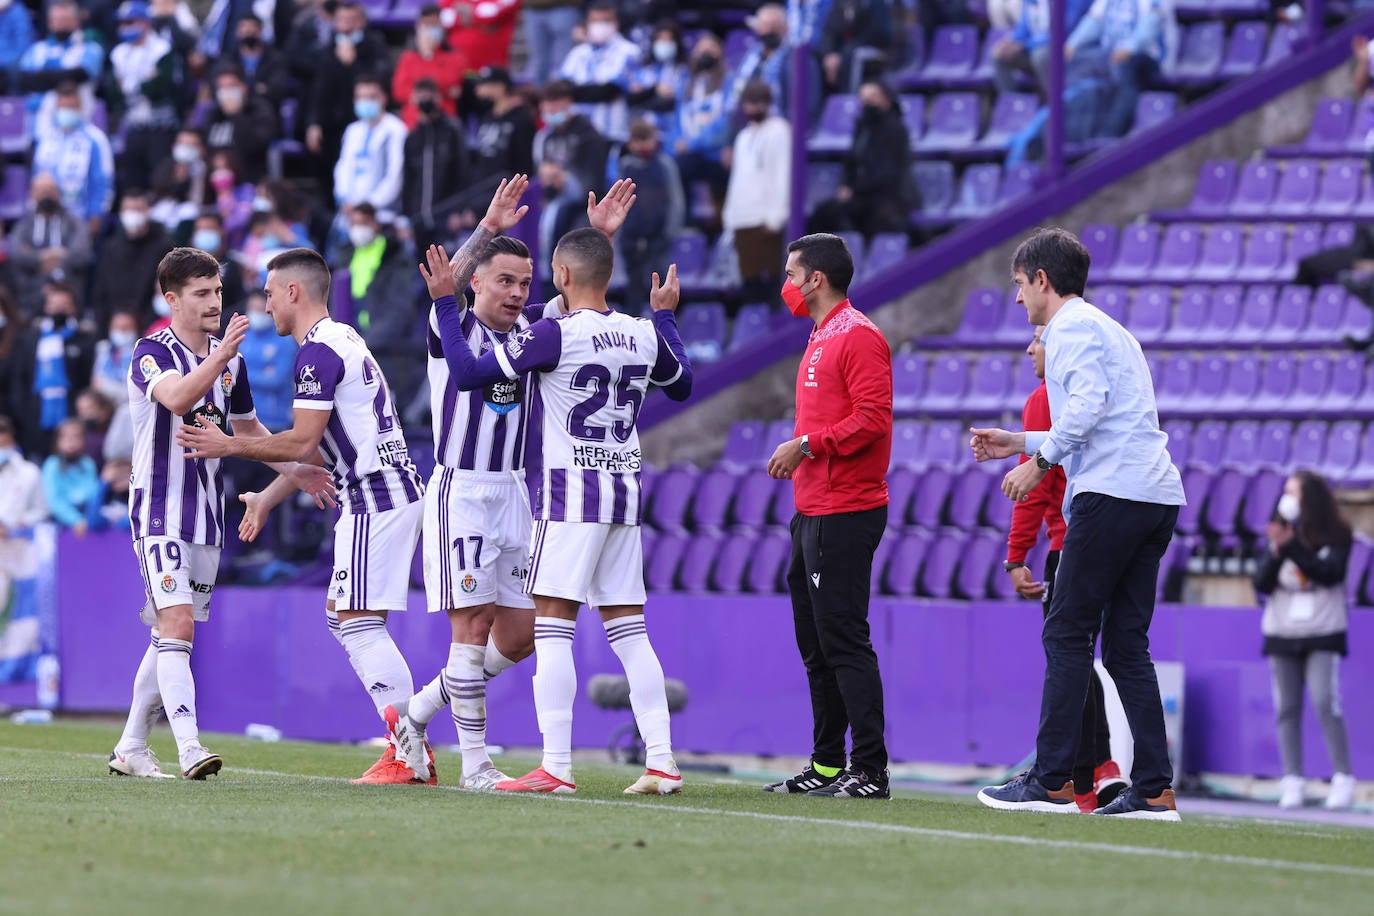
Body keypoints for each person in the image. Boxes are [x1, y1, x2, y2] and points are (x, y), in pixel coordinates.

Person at [427, 213, 694, 796]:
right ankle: (663, 763)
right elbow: (682, 384)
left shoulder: (555, 335)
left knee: (552, 630)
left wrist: (447, 302)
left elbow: (470, 371)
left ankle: (556, 767)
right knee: (631, 632)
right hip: (623, 495)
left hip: (569, 497)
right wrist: (666, 314)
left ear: (560, 273)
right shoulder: (644, 332)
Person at [387, 175, 638, 791]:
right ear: (475, 283)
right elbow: (447, 279)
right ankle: (476, 765)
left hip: (516, 496)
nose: (516, 292)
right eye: (504, 281)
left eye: (524, 283)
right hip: (462, 494)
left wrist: (598, 237)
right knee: (470, 630)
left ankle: (414, 715)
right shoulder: (449, 329)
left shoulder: (533, 331)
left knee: (522, 636)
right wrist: (489, 228)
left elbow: (575, 292)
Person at [177, 247, 428, 785]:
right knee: (350, 618)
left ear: (294, 291)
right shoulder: (342, 339)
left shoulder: (316, 353)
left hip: (374, 495)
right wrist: (268, 498)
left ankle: (409, 750)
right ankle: (409, 745)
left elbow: (303, 439)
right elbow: (312, 451)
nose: (266, 304)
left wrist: (228, 445)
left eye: (270, 292)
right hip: (386, 488)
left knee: (354, 621)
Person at [971, 227, 1186, 821]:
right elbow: (1103, 417)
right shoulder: (1107, 327)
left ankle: (1053, 780)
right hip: (1152, 495)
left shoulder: (1068, 329)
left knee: (1065, 634)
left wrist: (1037, 464)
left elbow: (1087, 411)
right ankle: (1153, 790)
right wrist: (1018, 440)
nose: (1018, 299)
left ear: (1042, 280)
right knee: (1125, 648)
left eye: (1019, 284)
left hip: (1111, 495)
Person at [109, 247, 332, 780]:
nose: (215, 303)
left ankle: (130, 747)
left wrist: (296, 473)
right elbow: (180, 399)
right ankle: (189, 746)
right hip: (159, 509)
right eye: (202, 294)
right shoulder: (150, 352)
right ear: (172, 300)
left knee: (169, 631)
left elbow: (248, 433)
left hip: (207, 516)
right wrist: (221, 353)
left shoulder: (233, 361)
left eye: (218, 292)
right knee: (178, 623)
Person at [761, 233, 893, 799]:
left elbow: (874, 419)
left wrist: (808, 445)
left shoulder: (857, 335)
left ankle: (871, 768)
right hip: (811, 508)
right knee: (816, 642)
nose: (786, 285)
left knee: (843, 639)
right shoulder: (821, 334)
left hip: (846, 509)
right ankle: (828, 763)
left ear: (815, 278)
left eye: (792, 274)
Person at [1004, 324, 1127, 813]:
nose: (1031, 348)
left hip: (1069, 541)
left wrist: (1016, 555)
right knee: (1104, 655)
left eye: (1037, 340)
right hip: (1112, 533)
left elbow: (1028, 483)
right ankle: (1102, 773)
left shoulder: (1044, 398)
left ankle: (1088, 776)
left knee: (1068, 657)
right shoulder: (1100, 391)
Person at [1253, 470, 1356, 811]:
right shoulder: (1278, 535)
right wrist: (1279, 549)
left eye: (1294, 492)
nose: (1287, 498)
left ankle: (1342, 777)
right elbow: (1263, 584)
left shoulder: (1337, 534)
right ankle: (1292, 779)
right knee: (1286, 707)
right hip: (1283, 631)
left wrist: (1293, 546)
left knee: (1326, 701)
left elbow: (1329, 573)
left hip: (1323, 629)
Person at [809, 79, 912, 238]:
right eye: (863, 99)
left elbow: (888, 172)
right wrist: (845, 185)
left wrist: (854, 190)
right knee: (823, 214)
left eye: (872, 98)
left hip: (885, 197)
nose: (866, 103)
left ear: (886, 100)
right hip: (860, 195)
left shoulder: (895, 130)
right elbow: (851, 162)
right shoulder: (862, 127)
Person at [1065, 0, 1176, 138]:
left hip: (1150, 57)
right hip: (1113, 55)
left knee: (1126, 67)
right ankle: (1076, 135)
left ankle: (1111, 134)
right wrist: (1072, 44)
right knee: (1078, 63)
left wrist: (1129, 48)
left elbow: (1150, 24)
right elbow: (1094, 20)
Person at [723, 81, 791, 305]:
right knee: (749, 286)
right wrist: (729, 215)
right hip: (742, 217)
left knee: (771, 283)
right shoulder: (743, 136)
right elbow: (737, 178)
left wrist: (776, 216)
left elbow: (781, 173)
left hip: (766, 219)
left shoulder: (779, 130)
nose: (753, 109)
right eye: (750, 103)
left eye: (758, 103)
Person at [610, 119, 683, 314]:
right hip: (631, 239)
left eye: (647, 139)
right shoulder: (624, 166)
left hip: (659, 237)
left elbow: (676, 200)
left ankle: (663, 333)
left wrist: (670, 231)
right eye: (638, 140)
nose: (643, 145)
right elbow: (616, 202)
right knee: (633, 290)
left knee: (661, 288)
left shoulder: (665, 165)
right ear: (630, 143)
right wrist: (619, 234)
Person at [107, 1, 178, 191]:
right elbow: (113, 93)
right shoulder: (119, 53)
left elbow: (160, 88)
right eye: (122, 23)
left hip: (161, 126)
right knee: (133, 181)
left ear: (145, 23)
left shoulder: (162, 49)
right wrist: (143, 82)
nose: (125, 27)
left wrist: (129, 86)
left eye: (131, 22)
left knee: (160, 180)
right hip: (133, 125)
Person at [30, 83, 115, 237]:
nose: (67, 112)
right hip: (49, 219)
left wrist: (96, 216)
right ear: (56, 108)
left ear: (80, 107)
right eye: (63, 107)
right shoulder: (45, 138)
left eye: (71, 107)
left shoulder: (96, 139)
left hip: (81, 219)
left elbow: (103, 182)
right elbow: (36, 178)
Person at [15, 0, 104, 145]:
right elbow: (24, 80)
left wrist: (42, 77)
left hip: (78, 132)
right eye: (57, 20)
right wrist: (62, 77)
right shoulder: (36, 50)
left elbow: (79, 74)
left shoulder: (90, 49)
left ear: (76, 22)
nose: (61, 25)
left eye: (66, 20)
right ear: (49, 23)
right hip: (38, 130)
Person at [6, 174, 94, 315]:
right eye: (41, 191)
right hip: (31, 296)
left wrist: (38, 257)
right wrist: (46, 255)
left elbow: (82, 253)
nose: (45, 195)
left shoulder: (75, 223)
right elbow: (16, 254)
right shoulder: (23, 226)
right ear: (32, 194)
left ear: (58, 193)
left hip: (71, 294)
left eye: (50, 190)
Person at [558, 1, 642, 144]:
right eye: (595, 21)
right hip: (578, 136)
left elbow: (609, 92)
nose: (600, 26)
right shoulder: (578, 53)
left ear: (616, 23)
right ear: (587, 24)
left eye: (605, 21)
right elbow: (562, 90)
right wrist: (595, 90)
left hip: (612, 134)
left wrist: (577, 91)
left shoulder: (629, 52)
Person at [89, 189, 173, 329]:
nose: (133, 214)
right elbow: (101, 291)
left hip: (150, 326)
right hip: (116, 326)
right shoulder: (111, 248)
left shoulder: (163, 247)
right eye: (129, 209)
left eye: (138, 209)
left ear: (148, 211)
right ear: (121, 213)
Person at [402, 77, 469, 252]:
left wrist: (458, 209)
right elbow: (408, 180)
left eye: (429, 95)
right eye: (420, 95)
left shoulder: (452, 131)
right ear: (413, 98)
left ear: (438, 97)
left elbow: (462, 172)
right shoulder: (412, 138)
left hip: (446, 218)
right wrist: (407, 217)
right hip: (418, 221)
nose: (425, 99)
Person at [333, 74, 408, 223]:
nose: (365, 102)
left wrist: (369, 205)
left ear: (383, 98)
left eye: (371, 97)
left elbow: (395, 175)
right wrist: (343, 198)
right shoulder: (352, 130)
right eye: (360, 97)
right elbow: (343, 166)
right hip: (349, 211)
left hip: (381, 214)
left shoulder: (396, 130)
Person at [993, 0, 1091, 97]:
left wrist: (1025, 44)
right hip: (1035, 47)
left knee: (1040, 55)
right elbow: (1024, 26)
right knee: (999, 55)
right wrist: (1012, 41)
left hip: (1066, 49)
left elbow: (1064, 30)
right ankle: (1013, 105)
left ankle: (1055, 104)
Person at [391, 5, 466, 130]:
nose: (430, 30)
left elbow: (447, 82)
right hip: (412, 122)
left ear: (442, 27)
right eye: (426, 25)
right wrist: (438, 92)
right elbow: (399, 91)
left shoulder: (456, 56)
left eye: (434, 24)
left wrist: (429, 56)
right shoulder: (408, 57)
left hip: (443, 123)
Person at [41, 416, 98, 536]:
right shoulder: (52, 465)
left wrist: (89, 518)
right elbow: (54, 500)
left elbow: (92, 492)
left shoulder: (88, 463)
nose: (71, 442)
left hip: (87, 519)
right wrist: (76, 520)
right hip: (60, 523)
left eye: (76, 437)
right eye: (66, 437)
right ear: (57, 441)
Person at [522, 0, 580, 85]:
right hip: (534, 9)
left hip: (563, 8)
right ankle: (540, 94)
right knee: (538, 61)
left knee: (563, 59)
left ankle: (563, 93)